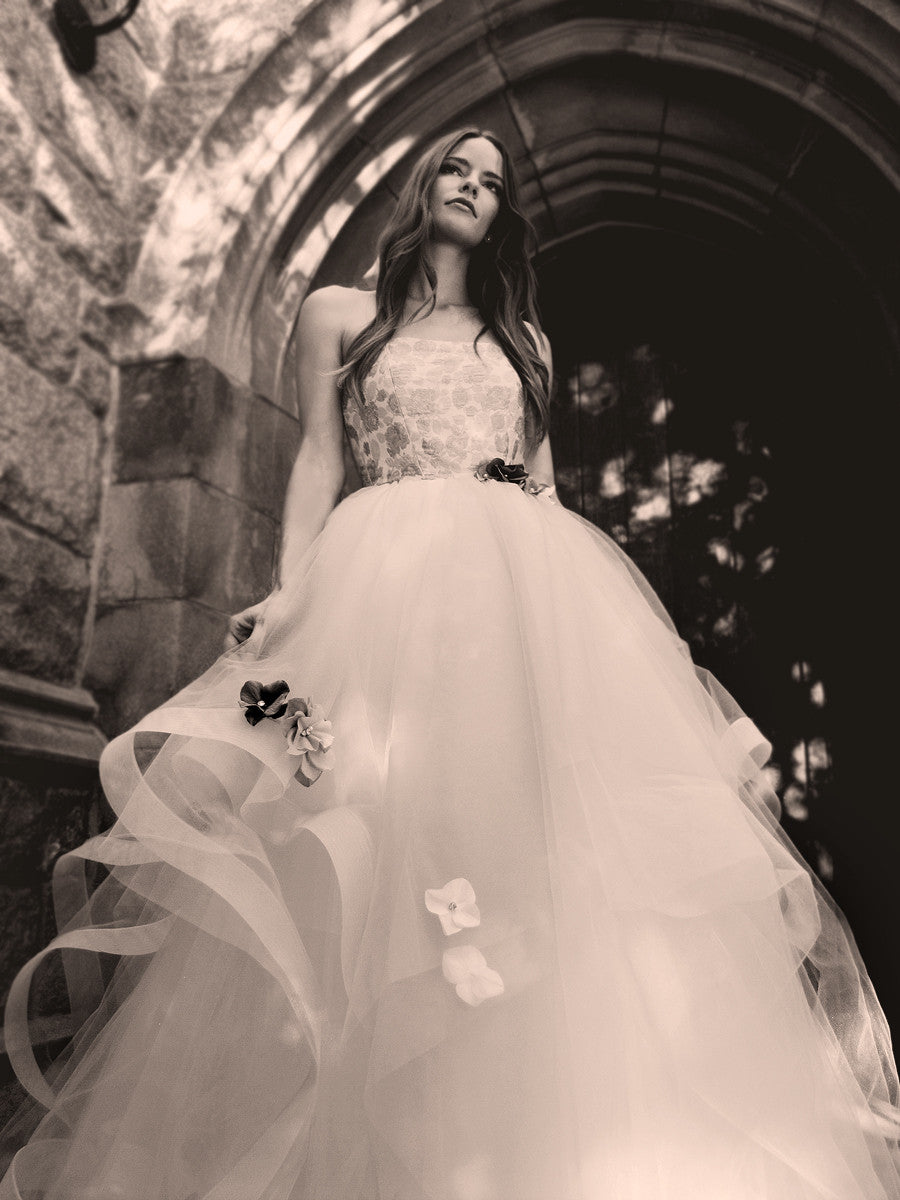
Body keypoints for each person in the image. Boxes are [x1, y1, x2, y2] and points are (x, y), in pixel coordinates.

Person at [1, 127, 899, 1200]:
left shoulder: (525, 337)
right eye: (457, 171)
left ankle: (527, 1117)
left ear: (501, 210)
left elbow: (545, 487)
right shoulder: (339, 312)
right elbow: (319, 463)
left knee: (525, 826)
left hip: (515, 586)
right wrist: (289, 595)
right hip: (377, 584)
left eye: (492, 180)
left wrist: (602, 639)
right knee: (363, 810)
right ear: (423, 186)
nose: (472, 188)